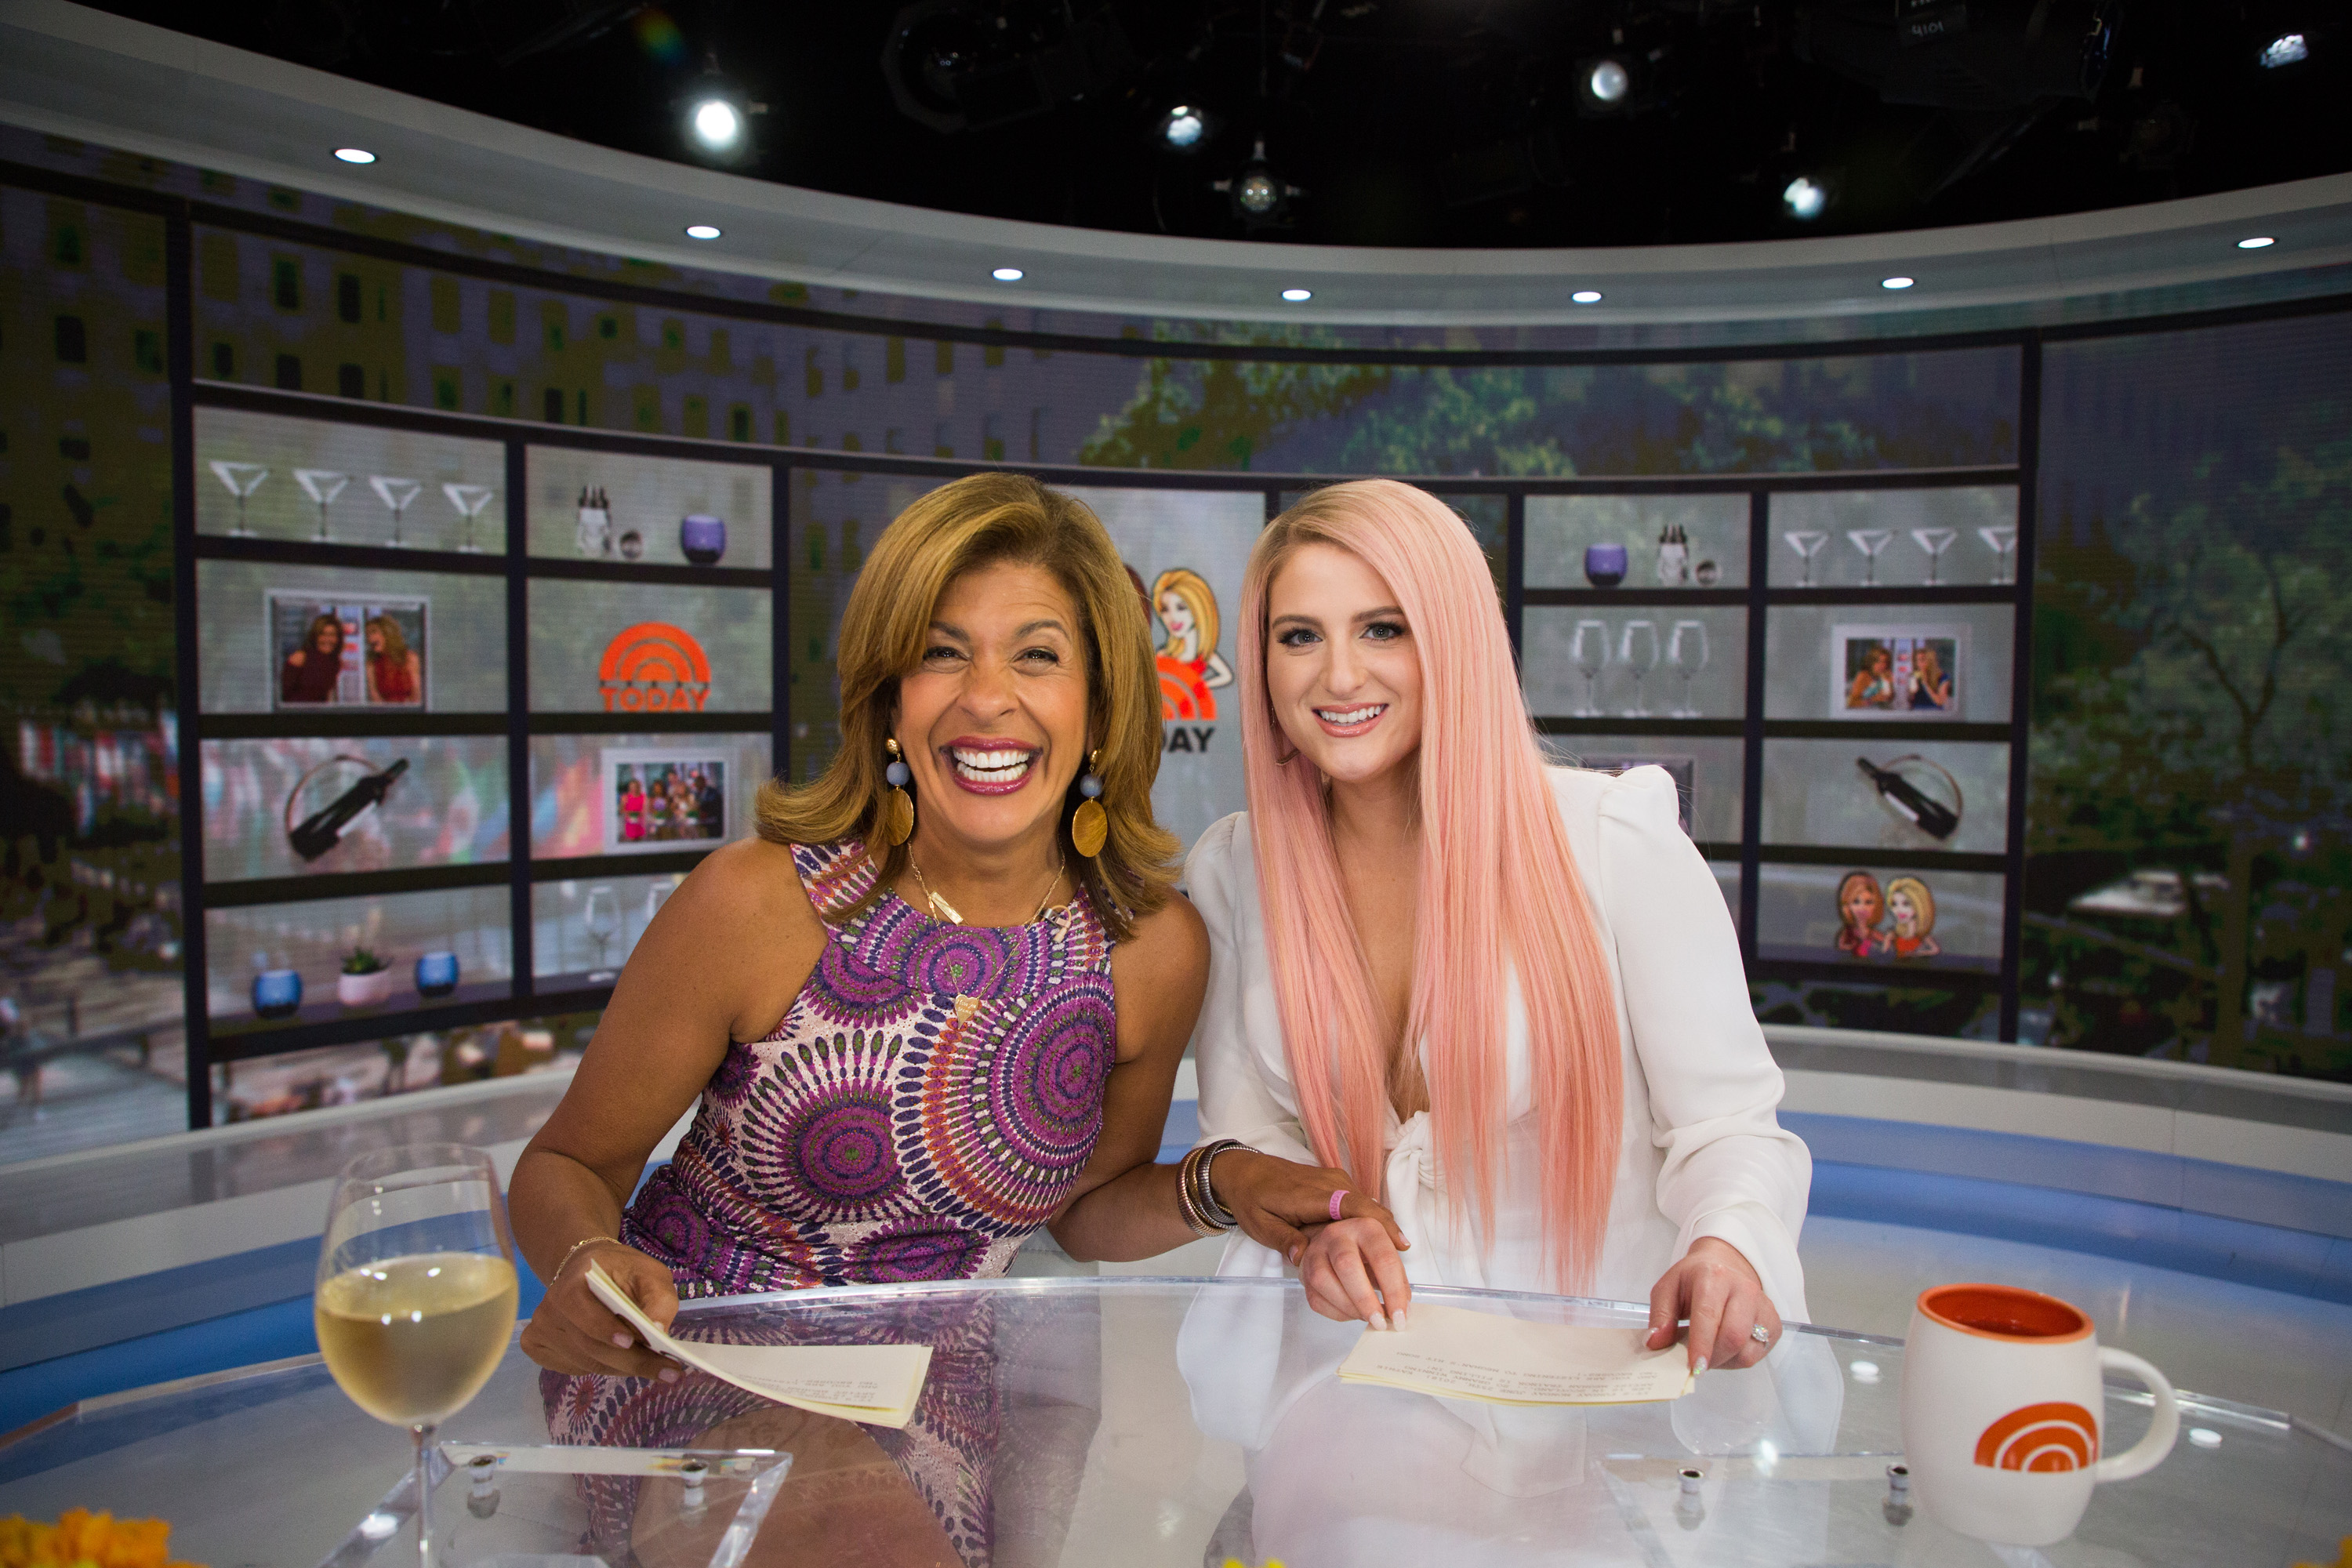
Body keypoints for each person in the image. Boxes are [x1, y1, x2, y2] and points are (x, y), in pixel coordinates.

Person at [512, 473, 1377, 1566]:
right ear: (888, 702)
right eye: (939, 651)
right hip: (690, 1366)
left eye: (1037, 654)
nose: (985, 698)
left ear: (1104, 708)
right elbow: (566, 1161)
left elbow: (1085, 1212)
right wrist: (586, 1256)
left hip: (935, 1383)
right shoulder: (756, 902)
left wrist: (1225, 1184)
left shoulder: (1151, 951)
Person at [1189, 477, 1812, 1377]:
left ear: (1454, 638)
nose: (1339, 675)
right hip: (1354, 1383)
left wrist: (1731, 1246)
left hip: (1595, 1389)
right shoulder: (1231, 869)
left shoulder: (1611, 839)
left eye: (1383, 627)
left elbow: (1728, 1128)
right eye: (1299, 637)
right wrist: (1316, 1231)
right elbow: (1253, 1145)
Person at [278, 613, 343, 706]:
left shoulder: (335, 662)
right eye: (323, 634)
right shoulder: (300, 657)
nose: (328, 639)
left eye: (332, 635)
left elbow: (324, 696)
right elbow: (282, 694)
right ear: (315, 636)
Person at [363, 614, 421, 706]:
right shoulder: (371, 664)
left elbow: (417, 693)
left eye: (374, 632)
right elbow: (374, 696)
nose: (370, 637)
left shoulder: (410, 658)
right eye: (367, 634)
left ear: (388, 632)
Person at [1835, 869, 1889, 957]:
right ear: (1848, 905)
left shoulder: (1878, 937)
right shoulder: (1846, 935)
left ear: (1877, 905)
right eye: (1856, 902)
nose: (1862, 908)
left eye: (1868, 902)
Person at [1886, 874, 1941, 957]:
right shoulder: (1894, 934)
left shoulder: (1922, 936)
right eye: (1894, 904)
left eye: (1906, 904)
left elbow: (1936, 950)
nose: (1899, 910)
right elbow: (1884, 956)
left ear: (1919, 905)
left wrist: (1917, 954)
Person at [1845, 641, 1896, 710]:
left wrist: (1890, 686)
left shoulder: (1885, 675)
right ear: (1872, 663)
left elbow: (1890, 698)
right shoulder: (1864, 676)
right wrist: (1874, 699)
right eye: (1878, 662)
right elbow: (1852, 703)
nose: (1882, 666)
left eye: (1885, 662)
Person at [1907, 642, 1954, 711]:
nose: (1919, 664)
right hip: (1917, 712)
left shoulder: (1944, 677)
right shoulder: (1916, 676)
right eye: (1917, 661)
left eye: (1922, 660)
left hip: (1934, 714)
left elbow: (1940, 702)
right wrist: (1911, 691)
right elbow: (1910, 701)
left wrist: (1926, 684)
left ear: (1931, 661)